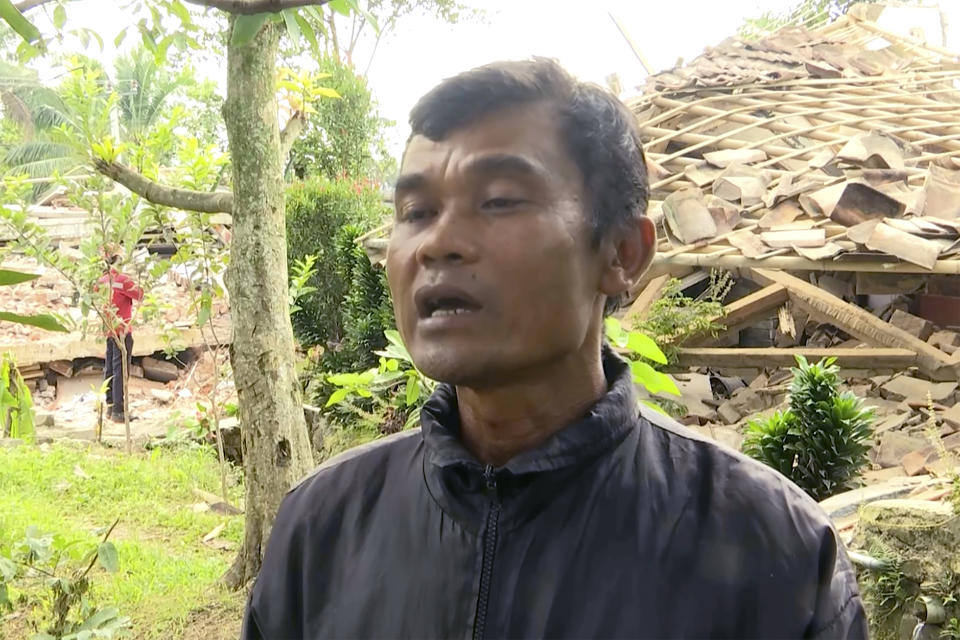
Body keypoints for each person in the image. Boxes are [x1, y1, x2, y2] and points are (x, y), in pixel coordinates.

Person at [242, 59, 867, 639]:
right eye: (416, 209)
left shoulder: (775, 551)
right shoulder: (322, 529)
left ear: (622, 253)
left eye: (499, 201)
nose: (437, 243)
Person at [98, 250, 143, 423]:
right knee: (121, 370)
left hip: (109, 330)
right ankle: (119, 410)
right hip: (123, 331)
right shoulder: (122, 280)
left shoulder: (102, 281)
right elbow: (140, 295)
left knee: (109, 367)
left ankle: (110, 406)